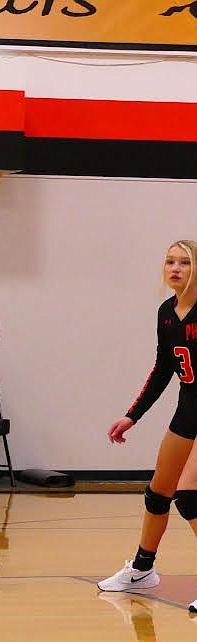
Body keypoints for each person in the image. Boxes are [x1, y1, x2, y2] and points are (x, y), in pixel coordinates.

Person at [99, 241, 197, 596]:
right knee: (158, 493)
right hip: (188, 406)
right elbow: (162, 370)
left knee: (189, 495)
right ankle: (142, 569)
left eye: (185, 262)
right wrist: (132, 416)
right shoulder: (166, 313)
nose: (175, 268)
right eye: (170, 261)